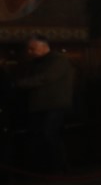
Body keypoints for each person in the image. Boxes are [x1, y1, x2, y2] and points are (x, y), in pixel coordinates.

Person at [14, 35, 74, 172]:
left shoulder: (59, 60)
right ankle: (44, 167)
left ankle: (59, 167)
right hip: (38, 107)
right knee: (38, 137)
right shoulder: (35, 63)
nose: (29, 52)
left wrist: (18, 84)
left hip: (54, 106)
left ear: (43, 46)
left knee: (49, 135)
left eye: (32, 48)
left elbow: (45, 78)